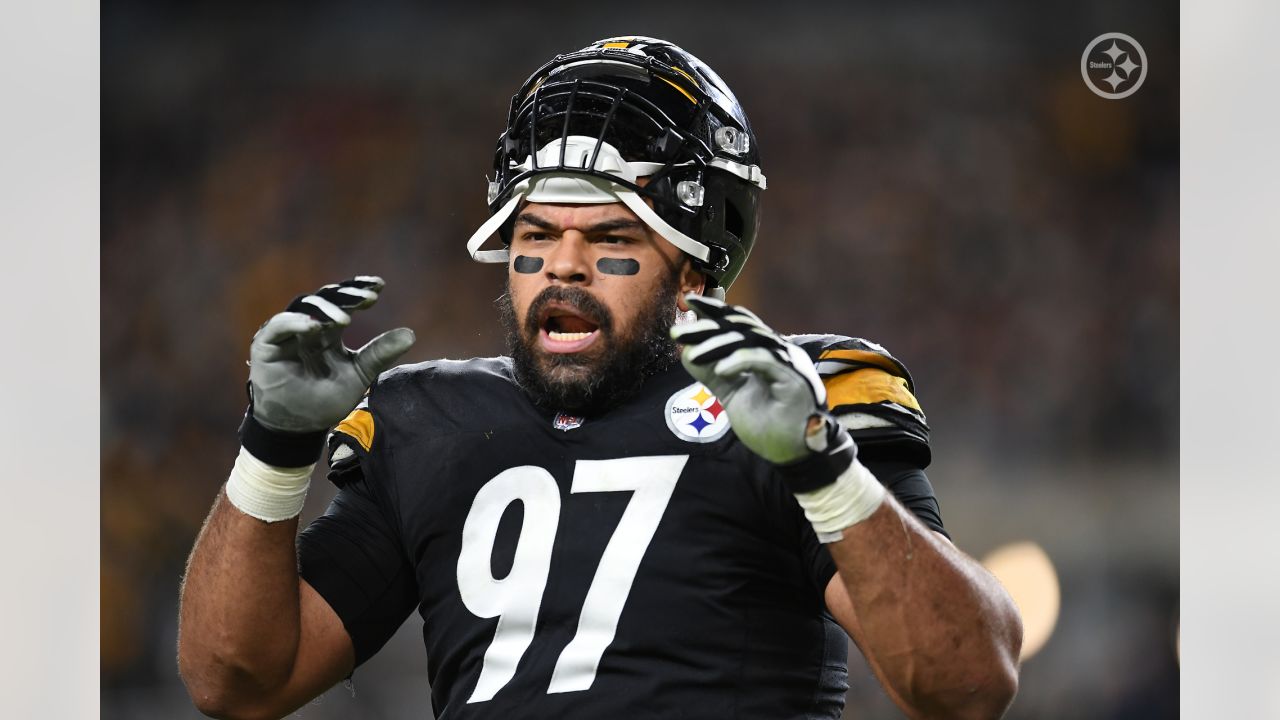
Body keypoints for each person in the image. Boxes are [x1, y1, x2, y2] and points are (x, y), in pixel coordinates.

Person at [177, 36, 1021, 720]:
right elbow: (240, 682)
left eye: (612, 238)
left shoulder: (789, 399)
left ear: (694, 269)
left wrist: (822, 467)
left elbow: (966, 683)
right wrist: (272, 449)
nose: (563, 270)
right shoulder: (428, 420)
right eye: (537, 237)